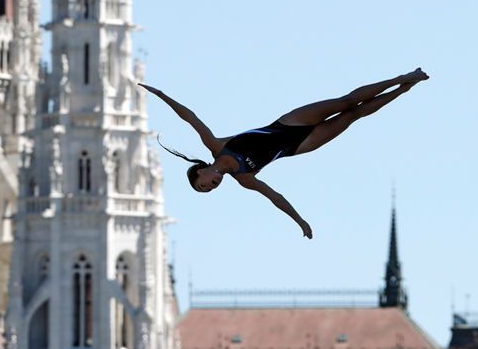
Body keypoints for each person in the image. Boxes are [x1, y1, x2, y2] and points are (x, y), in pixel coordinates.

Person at [139, 69, 429, 239]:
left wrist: (162, 95)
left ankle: (403, 76)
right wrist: (300, 221)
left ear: (202, 170)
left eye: (203, 183)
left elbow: (190, 117)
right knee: (354, 116)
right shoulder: (244, 178)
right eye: (208, 191)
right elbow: (275, 198)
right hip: (300, 145)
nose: (210, 186)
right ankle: (405, 89)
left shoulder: (215, 145)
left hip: (290, 123)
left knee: (347, 101)